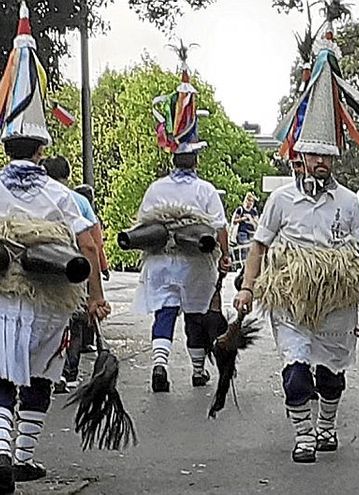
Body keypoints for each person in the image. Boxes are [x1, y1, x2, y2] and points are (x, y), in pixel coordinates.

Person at [236, 26, 359, 464]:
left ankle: (326, 424)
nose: (320, 162)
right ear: (299, 156)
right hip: (291, 300)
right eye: (313, 155)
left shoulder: (348, 201)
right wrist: (248, 288)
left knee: (331, 378)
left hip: (338, 301)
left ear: (335, 158)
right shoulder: (280, 200)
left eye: (328, 156)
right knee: (297, 373)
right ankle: (303, 436)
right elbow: (260, 247)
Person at [0, 3, 110, 490]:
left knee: (2, 377)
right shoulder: (64, 196)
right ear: (43, 149)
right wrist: (96, 298)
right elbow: (87, 245)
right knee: (39, 377)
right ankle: (22, 456)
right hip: (48, 301)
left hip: (1, 299)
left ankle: (1, 452)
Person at [131, 52, 231, 393]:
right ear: (196, 158)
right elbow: (219, 228)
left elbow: (143, 225)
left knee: (165, 313)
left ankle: (159, 365)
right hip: (195, 263)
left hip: (161, 261)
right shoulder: (205, 190)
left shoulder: (156, 188)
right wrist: (227, 257)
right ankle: (198, 370)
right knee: (194, 315)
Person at [41, 157, 108, 394]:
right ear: (68, 175)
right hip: (75, 270)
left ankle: (45, 371)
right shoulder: (77, 200)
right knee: (76, 324)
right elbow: (93, 242)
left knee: (48, 323)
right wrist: (97, 286)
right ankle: (67, 373)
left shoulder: (37, 197)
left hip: (41, 272)